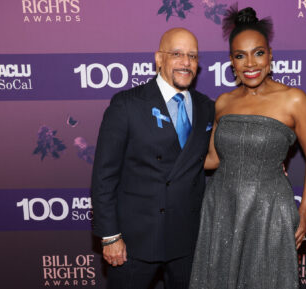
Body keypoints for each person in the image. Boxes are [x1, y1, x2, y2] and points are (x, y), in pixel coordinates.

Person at [189, 6, 306, 289]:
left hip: (270, 211)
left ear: (270, 55)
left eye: (258, 53)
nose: (250, 63)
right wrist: (165, 159)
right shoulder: (223, 102)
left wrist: (304, 212)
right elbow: (213, 158)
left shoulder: (294, 99)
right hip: (222, 208)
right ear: (232, 62)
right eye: (240, 56)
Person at [91, 28, 215, 289]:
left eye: (192, 56)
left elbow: (214, 156)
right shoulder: (127, 104)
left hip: (187, 241)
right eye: (177, 54)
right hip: (135, 242)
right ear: (159, 58)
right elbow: (104, 176)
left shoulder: (206, 106)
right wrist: (110, 236)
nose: (186, 62)